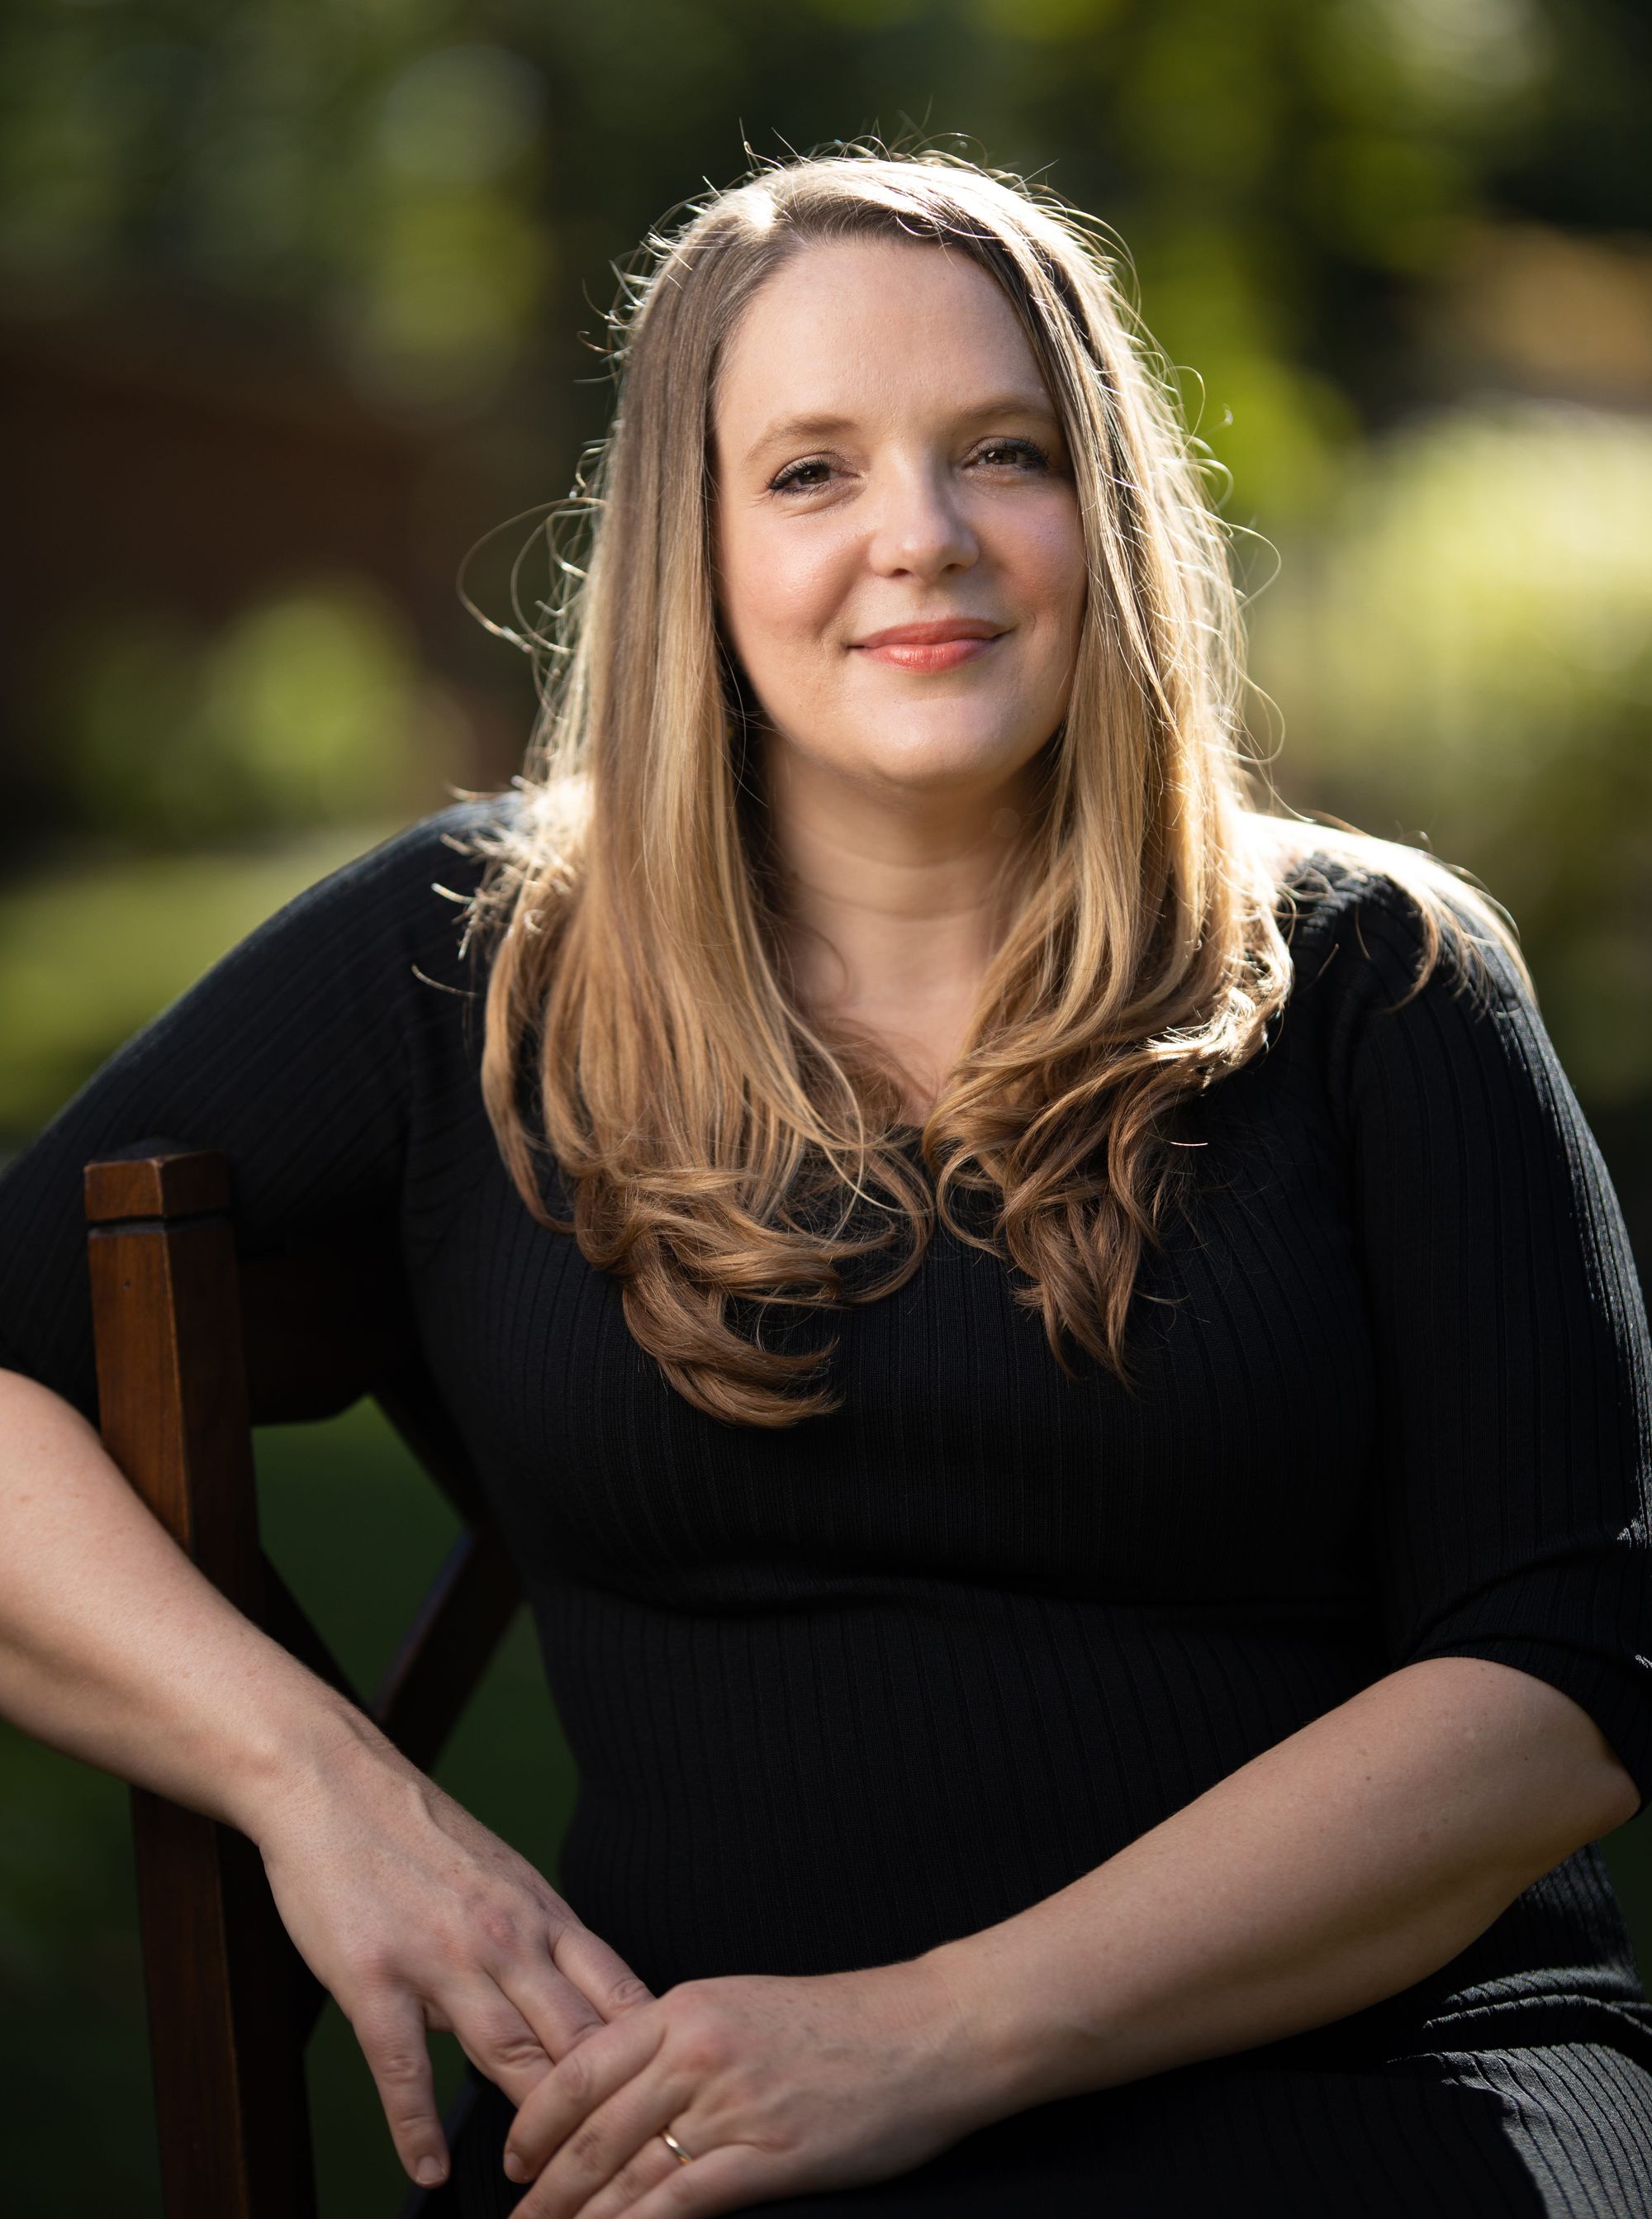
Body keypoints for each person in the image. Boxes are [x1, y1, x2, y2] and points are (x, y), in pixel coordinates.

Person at [1, 145, 1650, 2219]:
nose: (923, 539)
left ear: (1109, 510)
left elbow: (1568, 1667)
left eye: (1002, 451)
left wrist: (942, 2026)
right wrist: (316, 1778)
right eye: (809, 471)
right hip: (703, 2121)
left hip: (1361, 2074)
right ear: (689, 548)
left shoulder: (1378, 980)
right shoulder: (463, 966)